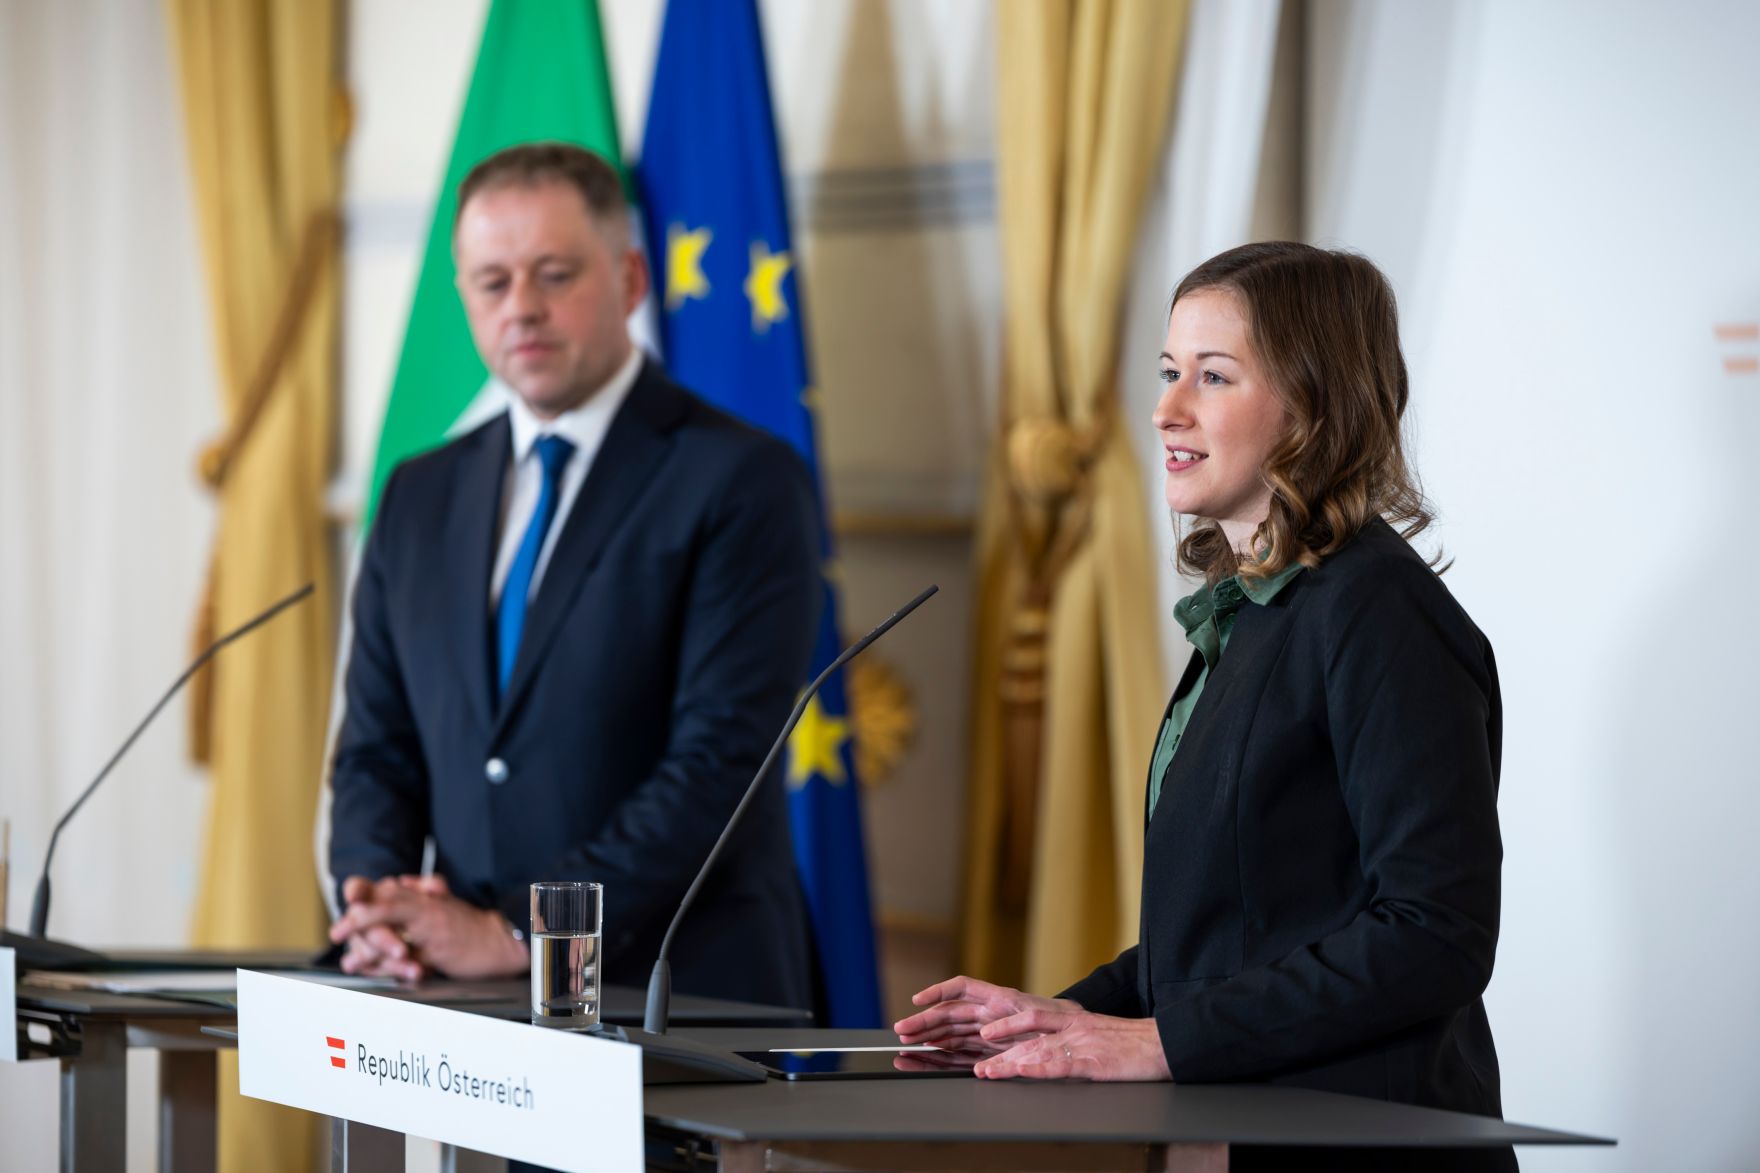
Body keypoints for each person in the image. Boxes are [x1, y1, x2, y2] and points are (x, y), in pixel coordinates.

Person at [898, 242, 1513, 1170]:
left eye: (1213, 376)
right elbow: (1234, 934)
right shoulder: (1259, 610)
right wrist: (1066, 1017)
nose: (1166, 409)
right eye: (1168, 370)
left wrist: (1155, 1041)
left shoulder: (1376, 611)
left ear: (1313, 403)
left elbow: (1437, 932)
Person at [325, 142, 819, 1012]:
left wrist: (521, 932)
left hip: (675, 997)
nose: (522, 308)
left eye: (554, 274)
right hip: (458, 994)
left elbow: (719, 765)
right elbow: (376, 746)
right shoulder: (418, 492)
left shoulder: (741, 477)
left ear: (630, 279)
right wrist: (381, 908)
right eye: (491, 282)